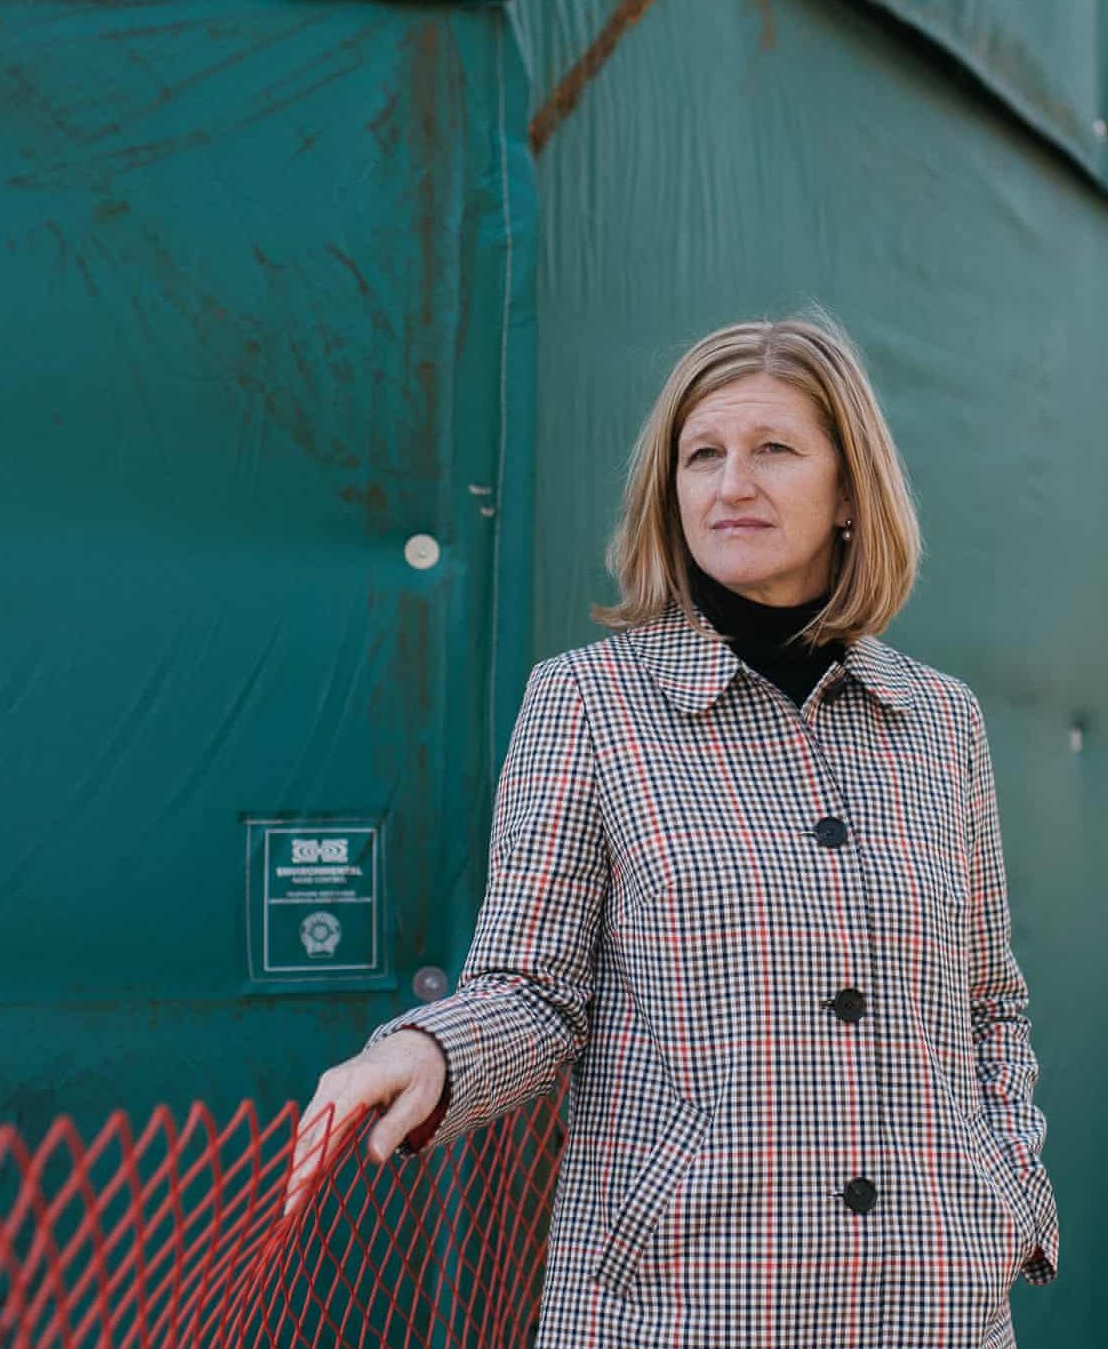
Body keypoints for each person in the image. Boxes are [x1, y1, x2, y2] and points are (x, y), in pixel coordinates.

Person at [291, 310, 1062, 1346]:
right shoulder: (588, 702)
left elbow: (989, 1003)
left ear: (849, 492)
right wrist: (431, 1052)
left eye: (773, 449)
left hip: (930, 1306)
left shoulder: (938, 719)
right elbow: (531, 992)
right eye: (702, 456)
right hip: (682, 1297)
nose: (731, 484)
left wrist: (1007, 1194)